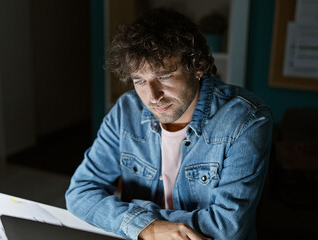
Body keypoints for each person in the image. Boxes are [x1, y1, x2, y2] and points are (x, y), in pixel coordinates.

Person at [66, 8, 272, 240]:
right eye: (140, 80)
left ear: (198, 65)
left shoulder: (246, 119)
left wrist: (133, 219)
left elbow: (227, 228)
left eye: (164, 76)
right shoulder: (126, 110)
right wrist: (147, 227)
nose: (153, 96)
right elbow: (79, 193)